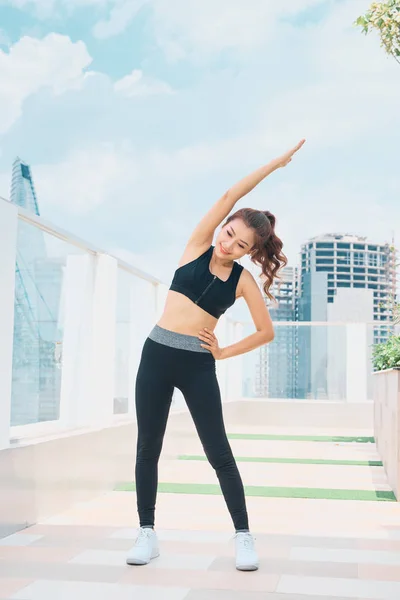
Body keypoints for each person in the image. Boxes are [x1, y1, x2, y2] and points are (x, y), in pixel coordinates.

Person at [126, 139, 306, 571]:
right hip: (156, 353)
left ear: (250, 252)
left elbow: (266, 332)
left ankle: (244, 536)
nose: (229, 244)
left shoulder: (242, 281)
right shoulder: (196, 246)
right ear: (222, 226)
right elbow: (230, 196)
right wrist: (275, 165)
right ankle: (146, 532)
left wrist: (223, 353)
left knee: (218, 452)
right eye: (229, 233)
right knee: (148, 445)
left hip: (196, 364)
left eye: (241, 244)